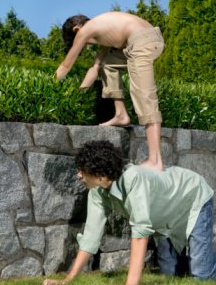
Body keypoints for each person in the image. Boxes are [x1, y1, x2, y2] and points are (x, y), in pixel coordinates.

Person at [42, 140, 216, 285]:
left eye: (83, 170)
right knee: (171, 273)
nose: (78, 174)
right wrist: (68, 279)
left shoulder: (134, 180)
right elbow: (91, 236)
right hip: (166, 218)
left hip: (192, 199)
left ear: (100, 173)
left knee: (203, 276)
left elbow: (140, 235)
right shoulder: (97, 190)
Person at [56, 12, 165, 170]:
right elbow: (96, 68)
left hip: (141, 40)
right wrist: (80, 93)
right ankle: (121, 115)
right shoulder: (104, 29)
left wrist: (52, 84)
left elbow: (66, 66)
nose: (86, 44)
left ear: (77, 29)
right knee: (108, 65)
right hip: (147, 38)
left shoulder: (85, 30)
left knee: (144, 96)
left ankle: (156, 161)